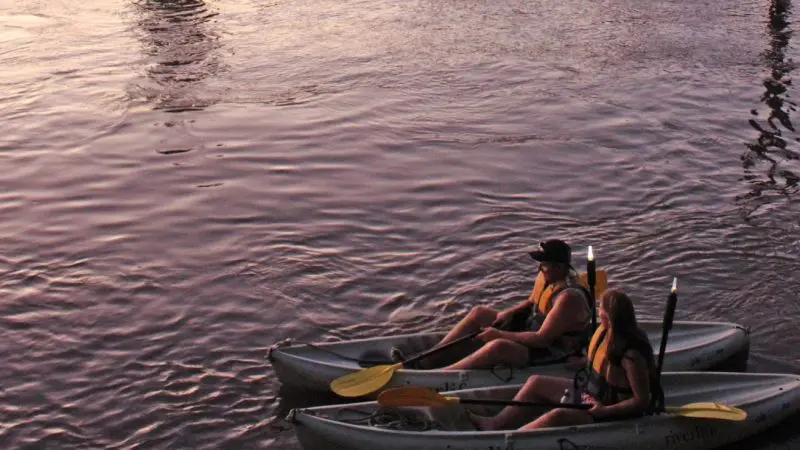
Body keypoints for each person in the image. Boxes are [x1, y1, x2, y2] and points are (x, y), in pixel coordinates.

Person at [468, 288, 659, 431]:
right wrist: (585, 362)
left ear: (612, 318)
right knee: (535, 382)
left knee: (557, 416)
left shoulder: (631, 354)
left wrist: (605, 411)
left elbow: (641, 400)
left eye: (603, 311)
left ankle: (510, 440)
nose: (599, 312)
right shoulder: (605, 332)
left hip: (609, 411)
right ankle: (495, 424)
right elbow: (603, 367)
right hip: (592, 394)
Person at [392, 239, 593, 370]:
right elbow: (532, 301)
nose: (540, 267)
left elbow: (542, 339)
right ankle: (425, 360)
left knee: (498, 346)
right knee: (480, 313)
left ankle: (442, 375)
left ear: (559, 267)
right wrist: (508, 313)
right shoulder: (546, 276)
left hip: (551, 351)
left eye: (544, 263)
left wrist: (499, 334)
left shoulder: (569, 298)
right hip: (531, 328)